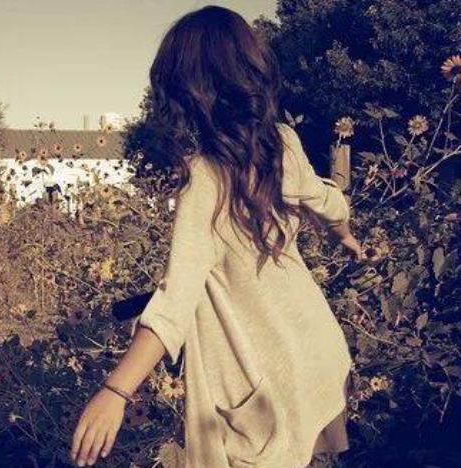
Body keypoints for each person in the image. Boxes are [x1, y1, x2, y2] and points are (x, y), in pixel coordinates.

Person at [70, 5, 362, 468]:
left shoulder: (205, 179)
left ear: (186, 90)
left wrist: (115, 391)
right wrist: (344, 235)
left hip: (263, 384)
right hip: (314, 355)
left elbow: (174, 304)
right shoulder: (282, 142)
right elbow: (327, 202)